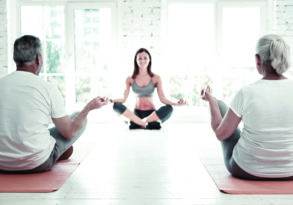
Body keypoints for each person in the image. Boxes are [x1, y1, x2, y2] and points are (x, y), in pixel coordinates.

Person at [0, 35, 108, 173]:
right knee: (76, 117)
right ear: (39, 59)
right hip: (37, 163)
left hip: (2, 163)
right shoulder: (47, 88)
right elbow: (68, 133)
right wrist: (88, 108)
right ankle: (55, 150)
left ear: (15, 58)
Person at [201, 34, 293, 180]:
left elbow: (221, 134)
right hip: (290, 172)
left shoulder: (247, 92)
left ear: (258, 60)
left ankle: (215, 101)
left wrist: (211, 101)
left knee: (221, 106)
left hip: (247, 170)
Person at [112, 48, 186, 130]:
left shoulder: (156, 78)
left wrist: (175, 103)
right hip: (137, 113)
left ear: (149, 60)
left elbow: (162, 98)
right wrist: (111, 100)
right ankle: (146, 123)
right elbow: (123, 99)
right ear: (136, 60)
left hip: (152, 113)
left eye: (145, 58)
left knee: (169, 108)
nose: (142, 60)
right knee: (116, 105)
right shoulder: (130, 79)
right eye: (139, 58)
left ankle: (140, 123)